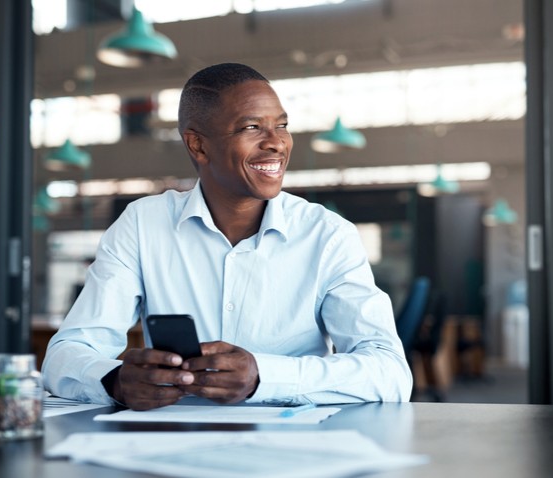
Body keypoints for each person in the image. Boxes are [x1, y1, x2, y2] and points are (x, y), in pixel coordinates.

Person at [42, 63, 412, 410]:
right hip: (172, 446)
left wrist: (264, 378)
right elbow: (66, 354)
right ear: (198, 145)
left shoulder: (328, 235)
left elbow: (390, 374)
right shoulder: (143, 225)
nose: (276, 143)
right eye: (252, 127)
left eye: (281, 126)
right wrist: (115, 381)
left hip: (290, 450)